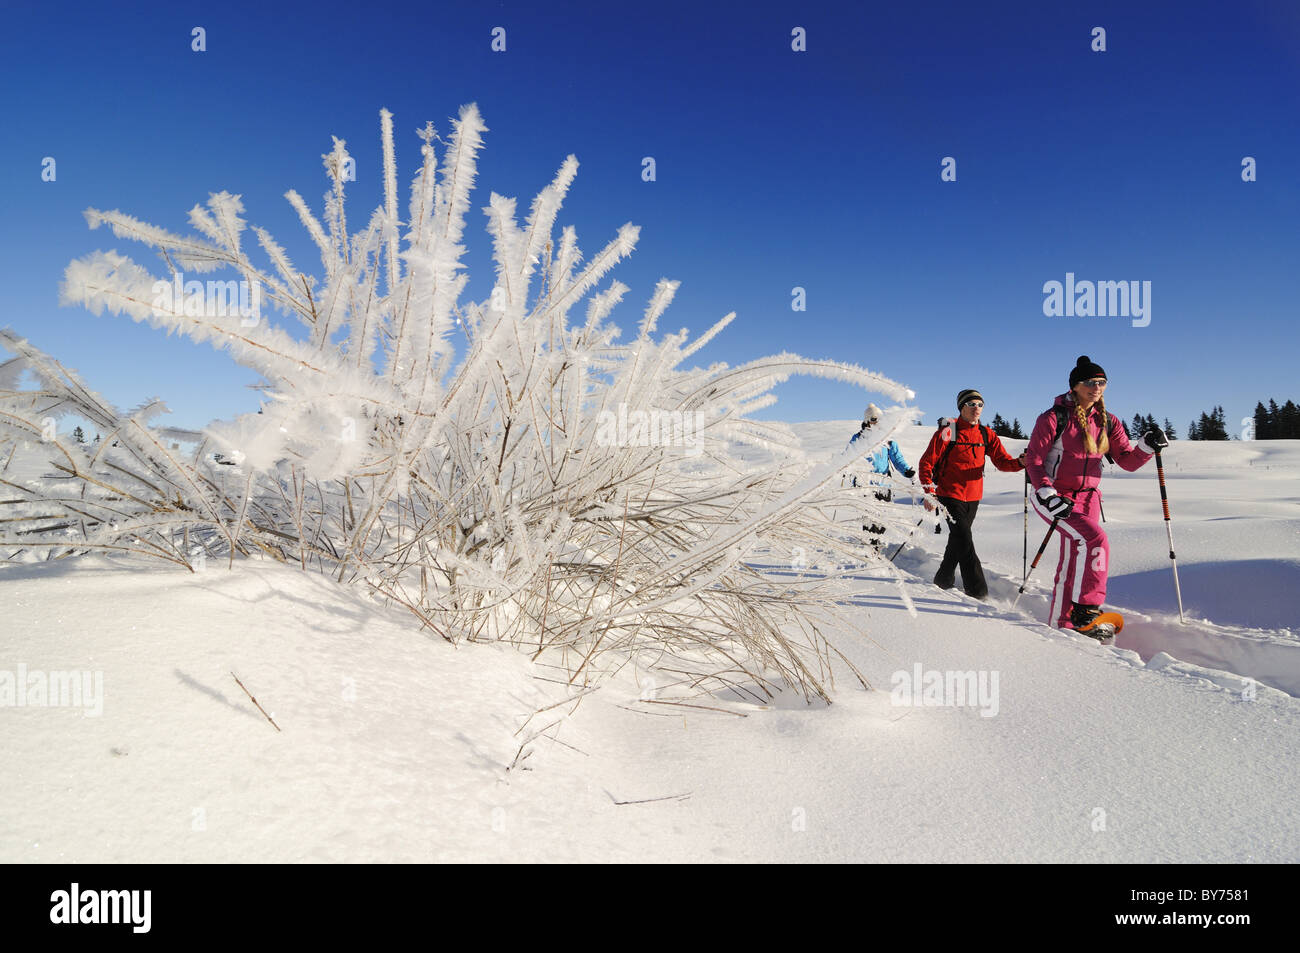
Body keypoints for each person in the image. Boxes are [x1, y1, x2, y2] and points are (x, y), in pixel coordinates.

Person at [1024, 356, 1167, 631]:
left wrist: (1147, 447)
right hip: (1054, 495)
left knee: (1074, 559)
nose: (1097, 387)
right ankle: (1086, 610)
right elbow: (1035, 459)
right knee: (1095, 540)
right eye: (1090, 382)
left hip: (1089, 498)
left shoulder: (1107, 421)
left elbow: (1127, 460)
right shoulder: (1053, 417)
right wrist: (1047, 492)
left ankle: (1061, 624)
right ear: (1075, 386)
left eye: (1102, 382)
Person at [917, 388, 1025, 600]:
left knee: (957, 541)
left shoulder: (986, 434)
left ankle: (942, 581)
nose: (977, 408)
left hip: (973, 497)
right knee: (965, 540)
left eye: (980, 405)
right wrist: (929, 492)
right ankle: (978, 592)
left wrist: (1021, 463)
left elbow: (1002, 462)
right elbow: (926, 462)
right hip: (949, 494)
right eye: (971, 404)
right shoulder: (948, 431)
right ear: (961, 407)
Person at [847, 404, 915, 547]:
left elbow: (897, 458)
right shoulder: (858, 438)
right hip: (864, 485)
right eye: (873, 419)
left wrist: (906, 470)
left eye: (879, 420)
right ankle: (872, 546)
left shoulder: (887, 439)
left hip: (884, 484)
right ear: (867, 420)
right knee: (868, 518)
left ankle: (877, 541)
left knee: (882, 518)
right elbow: (849, 455)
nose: (876, 423)